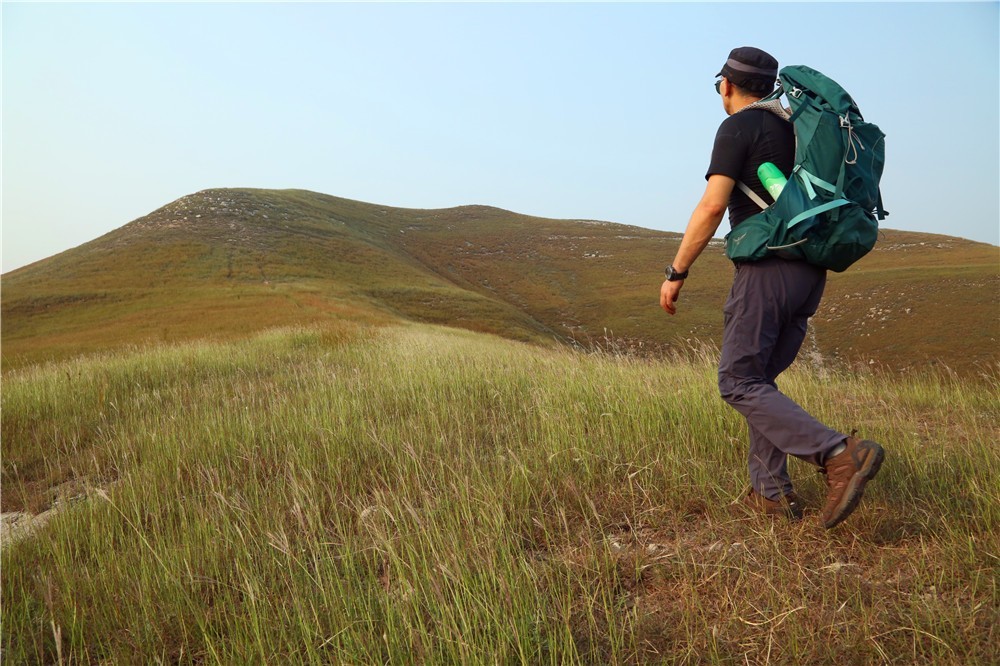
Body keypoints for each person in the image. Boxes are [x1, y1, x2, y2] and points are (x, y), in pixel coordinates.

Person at [659, 46, 884, 529]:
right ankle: (772, 496)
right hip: (809, 273)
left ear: (726, 85)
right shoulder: (797, 130)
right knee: (758, 381)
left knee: (737, 382)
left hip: (767, 270)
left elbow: (712, 206)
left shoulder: (738, 127)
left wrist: (676, 272)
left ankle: (839, 455)